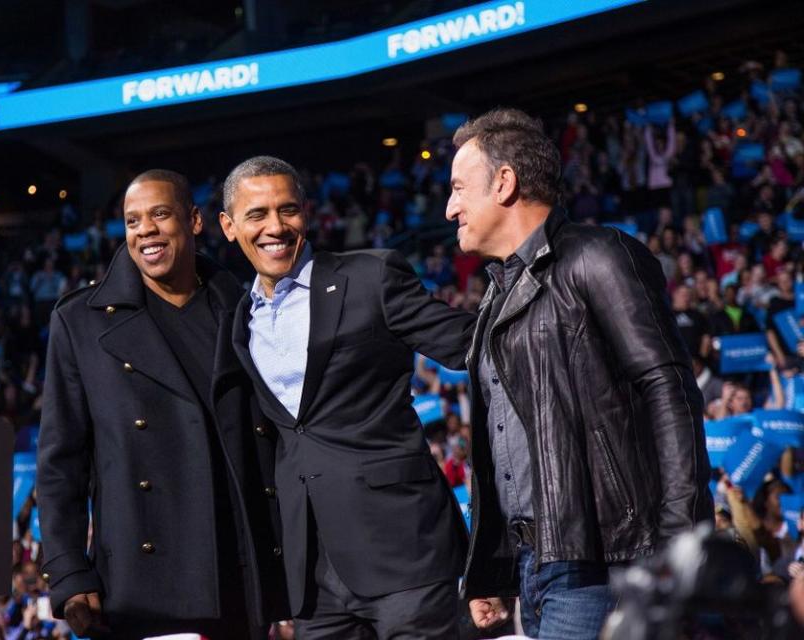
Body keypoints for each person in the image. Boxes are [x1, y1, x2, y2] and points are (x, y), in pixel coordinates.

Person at [445, 108, 713, 639]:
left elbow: (668, 391)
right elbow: (507, 448)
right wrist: (495, 569)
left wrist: (678, 544)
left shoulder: (599, 254)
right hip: (535, 565)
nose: (451, 208)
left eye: (457, 189)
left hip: (605, 561)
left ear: (504, 183)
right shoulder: (497, 294)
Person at [218, 155, 473, 638]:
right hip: (313, 573)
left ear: (307, 214)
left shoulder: (371, 277)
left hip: (404, 550)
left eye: (287, 209)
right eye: (257, 214)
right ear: (229, 227)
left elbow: (470, 345)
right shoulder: (238, 320)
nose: (276, 226)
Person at [37, 169, 286, 640]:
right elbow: (60, 464)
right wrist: (68, 572)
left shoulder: (248, 307)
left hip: (241, 571)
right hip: (142, 582)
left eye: (159, 214)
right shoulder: (80, 323)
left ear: (193, 221)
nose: (144, 230)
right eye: (132, 221)